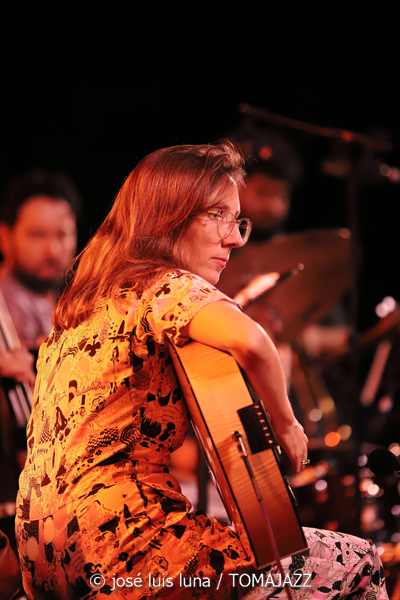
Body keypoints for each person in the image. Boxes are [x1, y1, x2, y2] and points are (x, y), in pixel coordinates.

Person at [15, 142, 387, 600]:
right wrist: (287, 425)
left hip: (43, 558)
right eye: (217, 216)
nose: (235, 239)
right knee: (359, 561)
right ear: (169, 216)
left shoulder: (83, 305)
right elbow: (253, 342)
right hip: (125, 549)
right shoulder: (163, 283)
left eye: (238, 221)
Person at [0, 169, 81, 350]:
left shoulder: (68, 304)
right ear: (5, 238)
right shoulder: (7, 310)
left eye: (62, 235)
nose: (52, 251)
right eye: (37, 235)